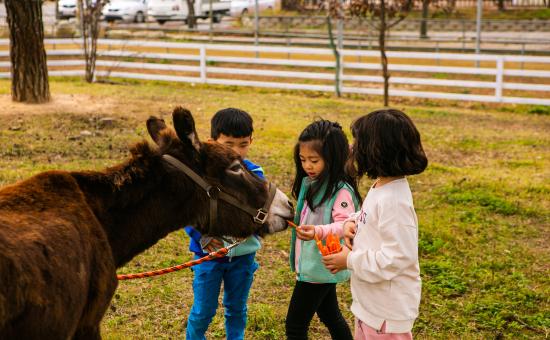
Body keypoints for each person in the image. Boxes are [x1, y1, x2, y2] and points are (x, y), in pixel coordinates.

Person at [322, 109, 428, 339]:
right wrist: (353, 221)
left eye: (358, 142)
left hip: (386, 313)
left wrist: (349, 260)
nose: (353, 148)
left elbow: (398, 257)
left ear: (377, 151)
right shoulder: (382, 186)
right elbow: (370, 215)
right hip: (372, 304)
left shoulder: (394, 201)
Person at [184, 108, 264, 340]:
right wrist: (202, 237)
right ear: (212, 142)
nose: (236, 152)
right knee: (203, 311)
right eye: (228, 144)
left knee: (237, 308)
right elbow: (188, 214)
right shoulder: (202, 177)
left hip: (243, 257)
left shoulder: (255, 175)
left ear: (251, 141)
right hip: (208, 257)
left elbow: (262, 211)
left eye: (243, 144)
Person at [286, 119, 361, 340]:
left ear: (333, 158)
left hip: (320, 266)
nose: (307, 166)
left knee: (295, 326)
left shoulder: (341, 191)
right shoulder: (314, 183)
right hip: (316, 267)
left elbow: (346, 225)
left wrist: (318, 231)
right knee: (330, 314)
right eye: (302, 160)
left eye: (314, 160)